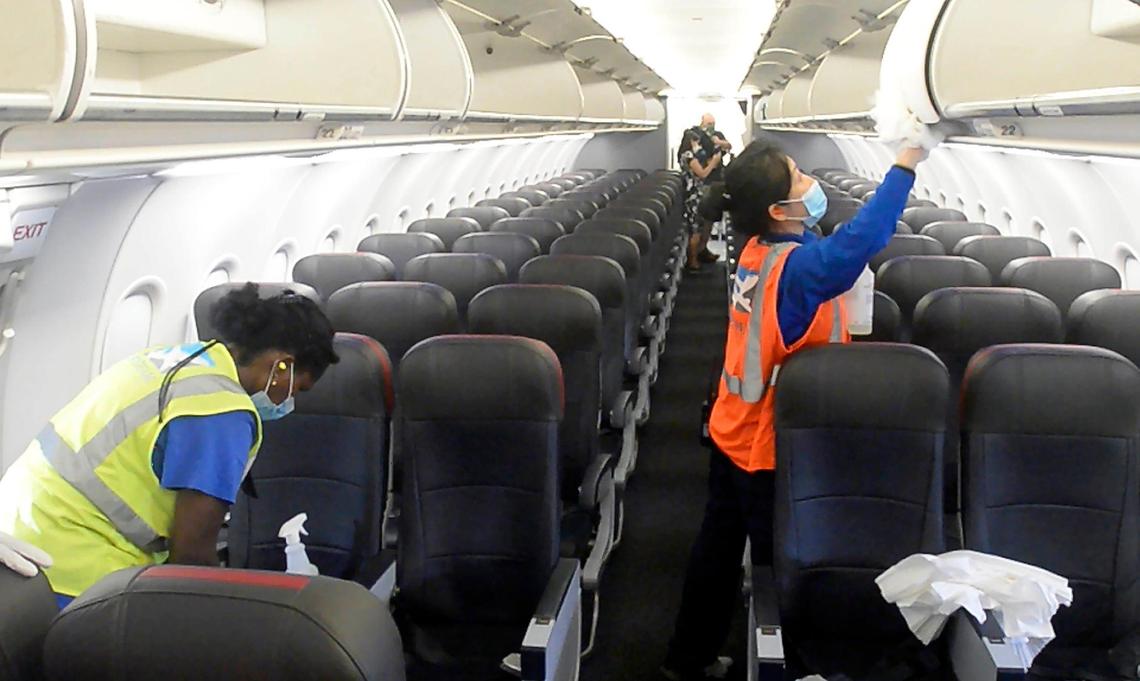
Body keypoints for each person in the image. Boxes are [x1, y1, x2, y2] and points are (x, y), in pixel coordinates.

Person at [661, 140, 930, 680]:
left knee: (715, 552)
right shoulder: (801, 270)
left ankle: (687, 658)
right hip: (766, 446)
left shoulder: (758, 250)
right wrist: (904, 165)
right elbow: (868, 237)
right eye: (797, 177)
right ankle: (794, 664)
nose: (809, 182)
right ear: (778, 210)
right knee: (784, 567)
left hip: (731, 427)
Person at [0, 283, 338, 608]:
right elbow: (191, 556)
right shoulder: (221, 412)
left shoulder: (174, 359)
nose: (290, 401)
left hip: (17, 527)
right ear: (282, 366)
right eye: (298, 389)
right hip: (72, 565)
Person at [687, 114, 733, 265]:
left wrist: (719, 142)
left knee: (711, 219)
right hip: (703, 184)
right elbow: (701, 166)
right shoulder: (696, 138)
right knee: (700, 221)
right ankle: (695, 256)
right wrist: (712, 162)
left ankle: (703, 250)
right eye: (708, 123)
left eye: (713, 123)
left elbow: (728, 146)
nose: (711, 126)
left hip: (717, 181)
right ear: (702, 122)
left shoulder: (717, 136)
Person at [679, 129, 722, 272]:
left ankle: (696, 257)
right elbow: (702, 174)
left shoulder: (685, 156)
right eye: (696, 142)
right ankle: (693, 261)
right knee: (696, 228)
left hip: (692, 194)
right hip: (694, 196)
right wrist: (713, 163)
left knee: (697, 226)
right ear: (691, 142)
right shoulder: (689, 156)